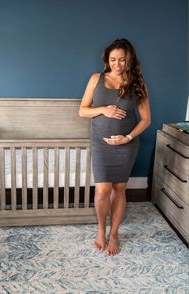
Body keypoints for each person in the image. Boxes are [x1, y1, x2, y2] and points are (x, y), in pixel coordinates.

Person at [79, 38, 151, 256]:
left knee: (119, 189)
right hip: (100, 143)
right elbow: (82, 110)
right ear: (107, 60)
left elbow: (146, 120)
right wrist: (103, 109)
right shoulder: (96, 79)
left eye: (122, 60)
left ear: (129, 60)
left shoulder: (138, 84)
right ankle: (101, 230)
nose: (117, 64)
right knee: (102, 190)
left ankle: (115, 233)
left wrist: (127, 137)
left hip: (126, 146)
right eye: (113, 60)